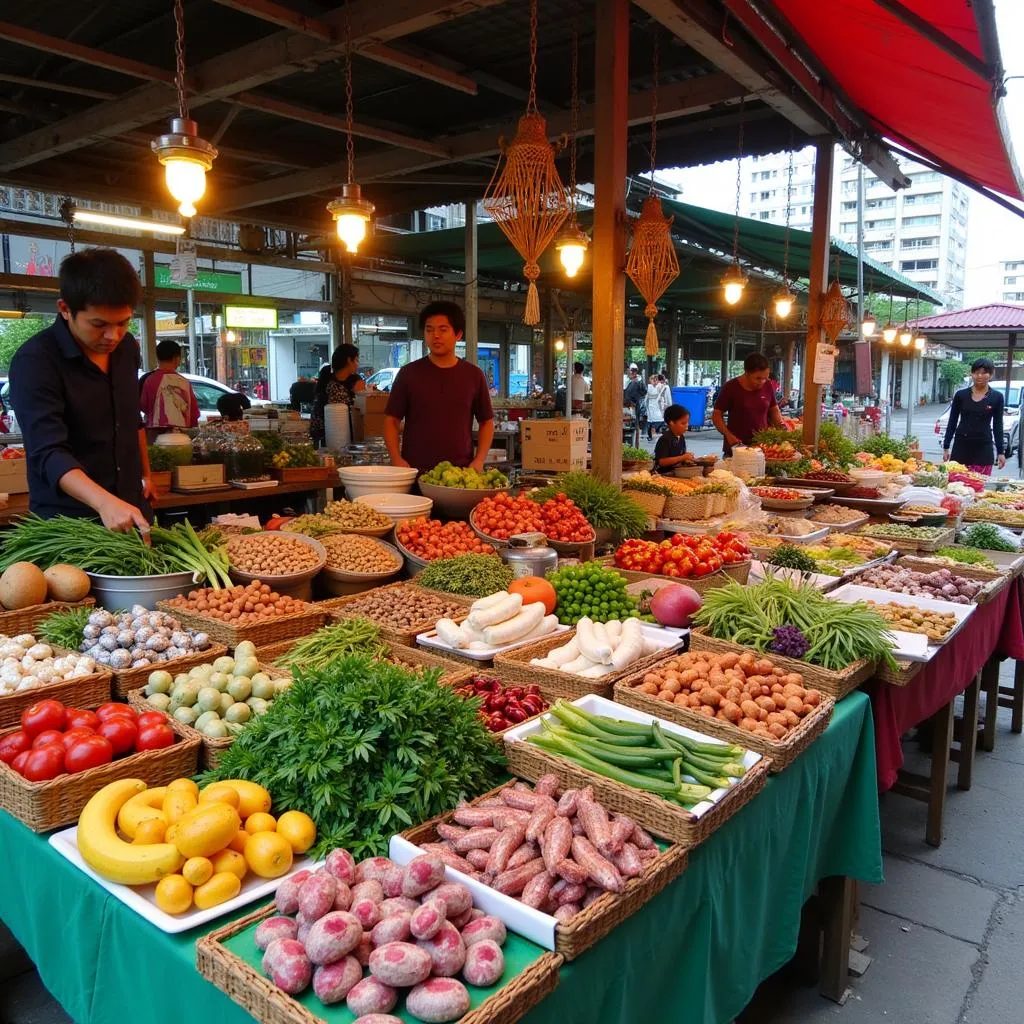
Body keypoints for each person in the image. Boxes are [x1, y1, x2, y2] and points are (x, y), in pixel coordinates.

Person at [9, 248, 152, 531]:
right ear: (65, 309)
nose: (113, 336)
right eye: (98, 324)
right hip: (68, 524)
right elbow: (48, 451)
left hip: (132, 511)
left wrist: (147, 474)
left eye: (123, 323)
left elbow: (130, 418)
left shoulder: (126, 348)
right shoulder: (36, 360)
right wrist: (104, 502)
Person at [383, 301, 494, 471]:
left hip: (460, 474)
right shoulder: (408, 374)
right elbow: (391, 420)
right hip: (414, 472)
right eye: (429, 329)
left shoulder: (474, 375)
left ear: (458, 334)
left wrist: (479, 460)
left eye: (443, 330)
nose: (435, 335)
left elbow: (486, 422)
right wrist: (396, 458)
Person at [712, 352, 784, 456]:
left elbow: (774, 410)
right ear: (747, 373)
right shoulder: (731, 387)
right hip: (737, 447)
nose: (762, 381)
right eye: (758, 378)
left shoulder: (767, 385)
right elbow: (716, 415)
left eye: (765, 377)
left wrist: (782, 431)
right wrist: (728, 434)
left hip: (762, 447)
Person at [942, 357, 1006, 474]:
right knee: (957, 487)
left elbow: (998, 425)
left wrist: (1000, 452)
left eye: (984, 373)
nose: (980, 376)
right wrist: (946, 447)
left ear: (991, 374)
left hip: (983, 448)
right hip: (961, 447)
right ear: (971, 374)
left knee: (980, 487)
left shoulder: (997, 397)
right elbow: (952, 422)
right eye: (977, 372)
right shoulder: (961, 395)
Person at [139, 339, 200, 440]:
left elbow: (143, 406)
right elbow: (193, 413)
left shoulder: (150, 380)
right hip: (180, 437)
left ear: (157, 358)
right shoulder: (184, 383)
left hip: (154, 436)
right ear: (177, 359)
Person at [309, 343, 364, 446]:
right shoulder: (352, 381)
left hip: (324, 435)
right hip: (338, 436)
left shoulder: (326, 376)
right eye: (356, 360)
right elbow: (359, 410)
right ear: (349, 360)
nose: (358, 364)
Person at [652, 405, 690, 474]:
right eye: (683, 423)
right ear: (671, 423)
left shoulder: (681, 437)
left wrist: (687, 458)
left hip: (677, 471)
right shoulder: (665, 439)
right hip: (664, 474)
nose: (687, 425)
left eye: (687, 422)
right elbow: (662, 462)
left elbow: (682, 455)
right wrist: (682, 457)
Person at [623, 365, 647, 447]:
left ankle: (635, 446)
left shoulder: (638, 381)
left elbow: (643, 392)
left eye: (632, 371)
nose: (631, 373)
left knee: (634, 428)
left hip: (633, 407)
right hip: (627, 407)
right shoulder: (629, 381)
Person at [646, 373, 672, 440]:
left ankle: (652, 436)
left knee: (652, 424)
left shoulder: (648, 387)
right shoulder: (665, 387)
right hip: (659, 412)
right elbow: (668, 400)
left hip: (652, 412)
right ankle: (661, 437)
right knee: (660, 424)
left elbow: (645, 400)